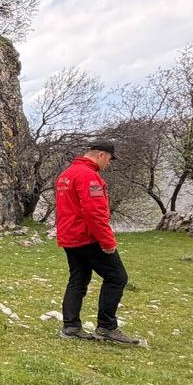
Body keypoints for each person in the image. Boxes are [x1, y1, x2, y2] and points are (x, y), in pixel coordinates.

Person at [54, 139, 140, 344]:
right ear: (101, 155)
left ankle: (71, 327)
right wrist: (107, 242)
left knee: (78, 279)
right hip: (87, 237)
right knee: (117, 277)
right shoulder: (89, 176)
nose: (108, 163)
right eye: (109, 159)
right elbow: (94, 213)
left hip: (69, 236)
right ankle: (107, 327)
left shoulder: (67, 174)